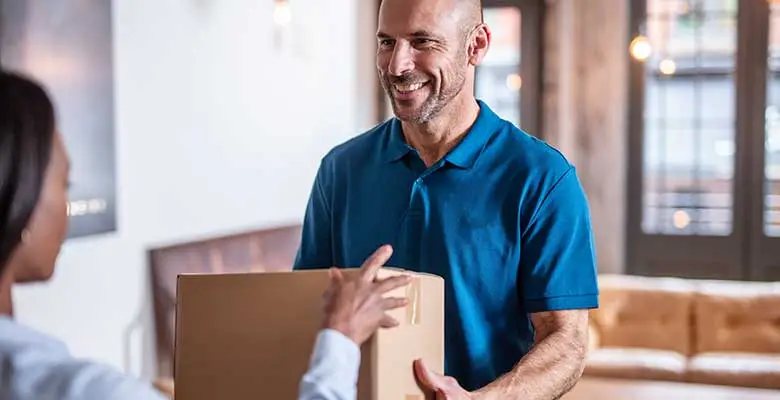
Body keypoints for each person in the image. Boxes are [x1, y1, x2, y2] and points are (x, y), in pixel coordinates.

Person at [0, 70, 411, 399]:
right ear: (22, 198)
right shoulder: (83, 389)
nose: (67, 205)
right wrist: (340, 338)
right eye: (65, 184)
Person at [293, 0, 600, 398]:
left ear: (477, 45)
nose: (397, 65)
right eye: (386, 42)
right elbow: (308, 313)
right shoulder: (340, 170)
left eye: (423, 42)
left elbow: (567, 342)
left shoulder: (543, 179)